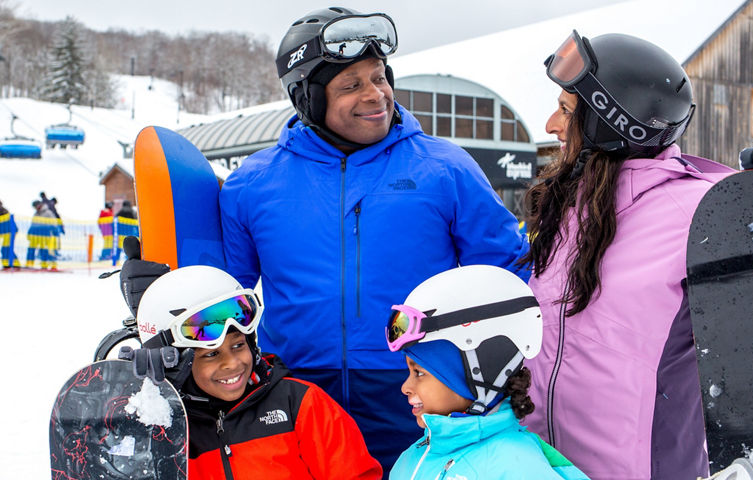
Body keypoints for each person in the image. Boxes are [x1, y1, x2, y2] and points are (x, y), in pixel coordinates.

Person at [214, 7, 528, 471]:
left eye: (379, 77)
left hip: (415, 387)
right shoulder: (254, 184)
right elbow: (225, 295)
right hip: (294, 391)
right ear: (308, 97)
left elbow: (507, 272)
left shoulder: (444, 167)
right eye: (351, 84)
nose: (375, 94)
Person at [520, 31, 753, 480]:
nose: (551, 125)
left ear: (609, 125)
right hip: (541, 466)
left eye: (567, 110)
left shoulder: (700, 215)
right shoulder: (568, 212)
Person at [122, 264, 383, 480]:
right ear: (175, 362)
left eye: (238, 345)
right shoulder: (165, 425)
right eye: (211, 354)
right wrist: (141, 404)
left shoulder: (300, 405)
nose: (233, 364)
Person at [386, 265, 588, 480]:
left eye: (419, 373)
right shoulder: (414, 457)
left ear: (477, 373)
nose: (405, 387)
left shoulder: (516, 467)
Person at [26, 199, 59, 269]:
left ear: (39, 205)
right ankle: (29, 264)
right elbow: (33, 224)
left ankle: (44, 265)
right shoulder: (36, 214)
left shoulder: (48, 213)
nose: (35, 208)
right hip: (35, 235)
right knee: (31, 249)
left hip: (44, 234)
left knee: (43, 250)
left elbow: (54, 223)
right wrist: (29, 232)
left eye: (36, 206)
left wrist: (47, 229)